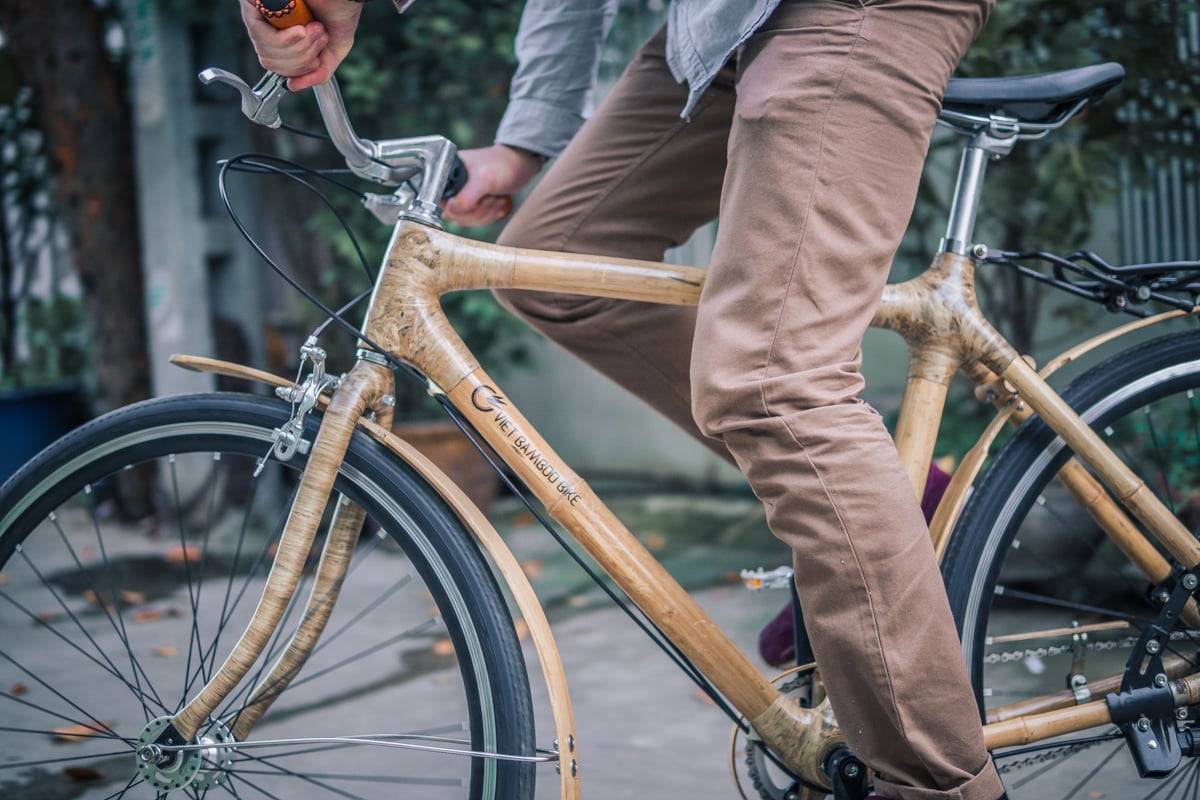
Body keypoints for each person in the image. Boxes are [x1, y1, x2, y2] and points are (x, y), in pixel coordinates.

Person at [241, 1, 1005, 797]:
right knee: (550, 266)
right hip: (718, 28)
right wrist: (522, 144)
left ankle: (939, 786)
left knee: (775, 385)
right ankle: (892, 506)